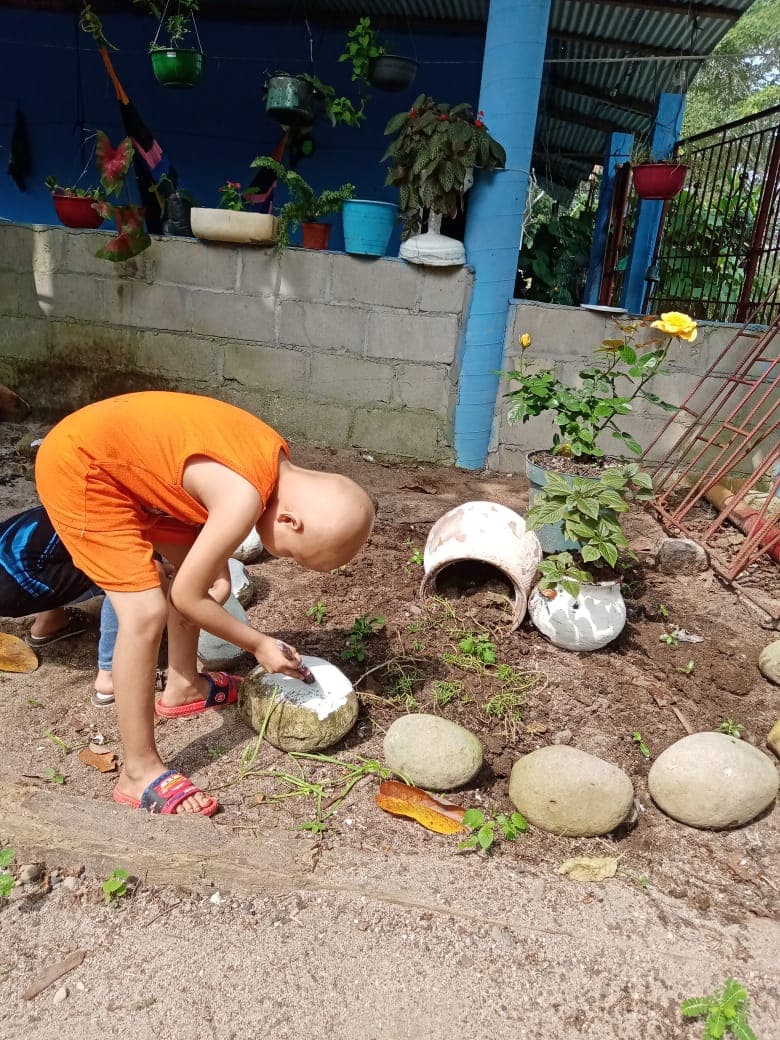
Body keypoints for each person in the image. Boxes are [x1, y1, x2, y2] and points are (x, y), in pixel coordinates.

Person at [35, 391, 374, 818]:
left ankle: (183, 686)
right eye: (293, 554)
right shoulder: (243, 498)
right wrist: (257, 643)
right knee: (145, 611)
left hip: (121, 463)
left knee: (208, 575)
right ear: (290, 521)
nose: (285, 558)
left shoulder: (274, 457)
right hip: (83, 470)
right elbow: (186, 598)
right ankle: (138, 771)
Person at [0, 505, 116, 703]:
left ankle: (50, 622)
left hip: (10, 553)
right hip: (18, 586)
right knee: (133, 571)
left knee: (56, 544)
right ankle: (110, 673)